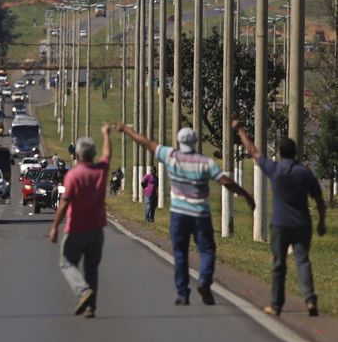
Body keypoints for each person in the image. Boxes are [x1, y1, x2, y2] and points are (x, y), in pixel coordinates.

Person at [116, 123, 255, 306]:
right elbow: (226, 180)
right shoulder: (205, 162)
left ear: (178, 142)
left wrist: (127, 130)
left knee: (180, 253)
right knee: (206, 251)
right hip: (200, 214)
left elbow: (146, 142)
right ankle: (204, 280)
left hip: (179, 215)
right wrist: (246, 195)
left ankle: (183, 293)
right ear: (195, 141)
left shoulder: (171, 156)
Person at [232, 119, 327, 316]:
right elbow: (319, 200)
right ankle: (310, 300)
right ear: (295, 153)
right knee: (302, 261)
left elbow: (254, 152)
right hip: (302, 225)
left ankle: (276, 305)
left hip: (280, 225)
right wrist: (321, 222)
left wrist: (240, 130)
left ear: (281, 154)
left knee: (278, 265)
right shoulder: (305, 174)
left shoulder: (276, 169)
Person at [49, 123, 112, 319]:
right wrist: (106, 134)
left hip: (75, 229)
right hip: (97, 231)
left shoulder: (73, 176)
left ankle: (83, 291)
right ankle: (90, 307)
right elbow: (107, 154)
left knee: (66, 263)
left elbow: (64, 204)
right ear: (92, 155)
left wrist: (54, 227)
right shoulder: (100, 171)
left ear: (77, 155)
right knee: (91, 268)